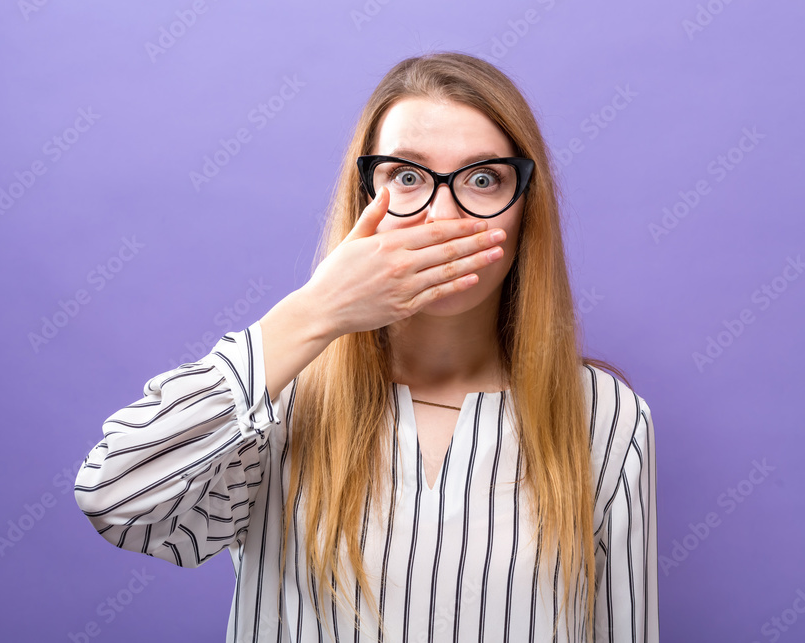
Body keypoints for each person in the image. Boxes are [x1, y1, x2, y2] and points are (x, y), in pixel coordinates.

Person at [74, 51, 658, 643]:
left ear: (526, 210)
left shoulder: (607, 418)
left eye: (484, 179)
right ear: (363, 199)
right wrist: (316, 310)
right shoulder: (278, 399)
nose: (441, 214)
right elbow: (117, 498)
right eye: (407, 177)